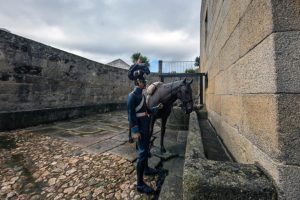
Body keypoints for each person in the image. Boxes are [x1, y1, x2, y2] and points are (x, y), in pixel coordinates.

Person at [127, 58, 163, 194]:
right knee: (142, 153)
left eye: (144, 81)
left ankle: (147, 170)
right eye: (143, 81)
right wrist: (135, 132)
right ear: (137, 82)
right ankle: (140, 183)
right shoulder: (132, 96)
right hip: (139, 127)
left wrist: (155, 109)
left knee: (146, 149)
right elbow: (131, 116)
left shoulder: (141, 95)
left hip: (145, 125)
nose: (145, 83)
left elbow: (145, 110)